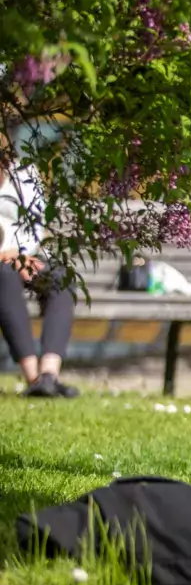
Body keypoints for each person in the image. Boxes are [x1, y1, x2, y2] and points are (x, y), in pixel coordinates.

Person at [0, 127, 79, 399]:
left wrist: (20, 255)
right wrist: (5, 255)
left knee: (61, 279)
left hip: (24, 257)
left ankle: (49, 374)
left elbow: (35, 225)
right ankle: (33, 376)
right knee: (4, 277)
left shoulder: (25, 174)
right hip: (3, 265)